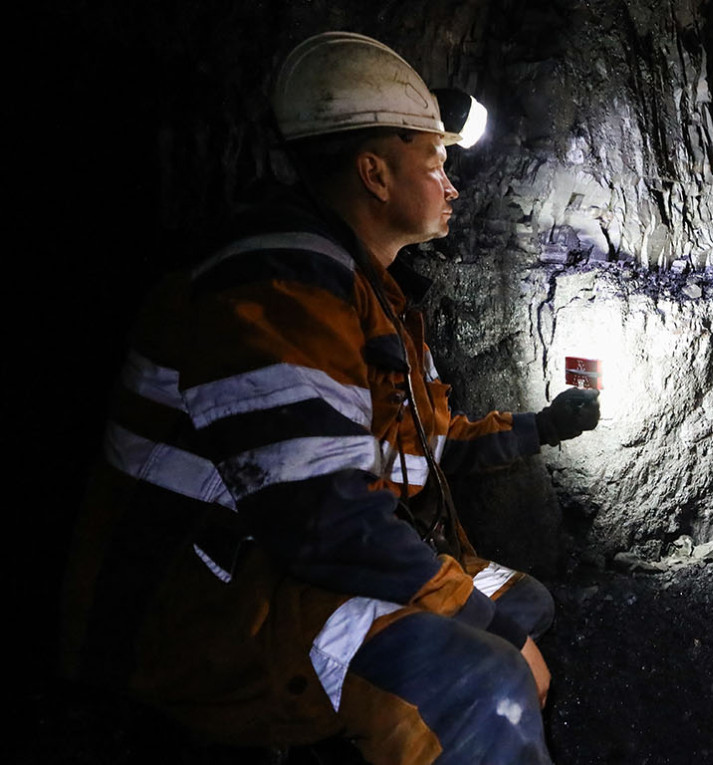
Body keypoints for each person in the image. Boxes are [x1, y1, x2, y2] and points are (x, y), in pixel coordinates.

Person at [59, 31, 597, 764]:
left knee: (524, 601)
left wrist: (544, 426)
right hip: (213, 612)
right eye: (436, 164)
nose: (453, 185)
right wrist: (481, 626)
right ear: (375, 173)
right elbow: (325, 516)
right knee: (488, 677)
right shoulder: (277, 283)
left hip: (303, 572)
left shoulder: (370, 298)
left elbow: (429, 446)